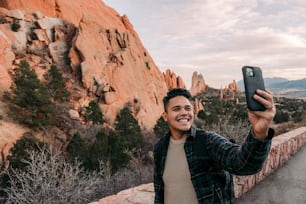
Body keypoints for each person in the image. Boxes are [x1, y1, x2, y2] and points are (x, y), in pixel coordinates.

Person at [153, 88, 276, 204]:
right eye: (176, 109)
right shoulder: (160, 148)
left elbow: (241, 163)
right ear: (165, 116)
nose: (184, 113)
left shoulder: (207, 141)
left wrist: (259, 134)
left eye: (188, 108)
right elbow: (160, 192)